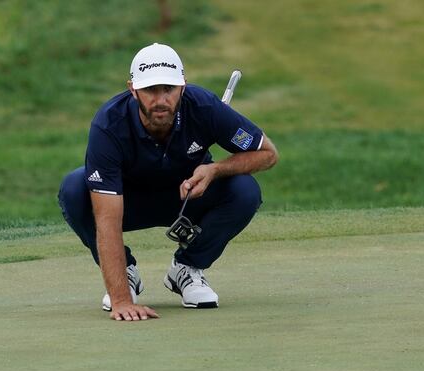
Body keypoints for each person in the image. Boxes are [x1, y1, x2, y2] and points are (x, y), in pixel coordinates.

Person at [57, 43, 278, 321]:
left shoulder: (205, 107)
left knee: (244, 190)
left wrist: (214, 170)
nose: (160, 99)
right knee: (74, 189)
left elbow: (267, 154)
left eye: (169, 89)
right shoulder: (108, 124)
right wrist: (121, 300)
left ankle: (187, 267)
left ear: (183, 87)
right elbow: (107, 219)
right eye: (150, 90)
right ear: (133, 89)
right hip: (128, 202)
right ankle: (125, 274)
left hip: (188, 199)